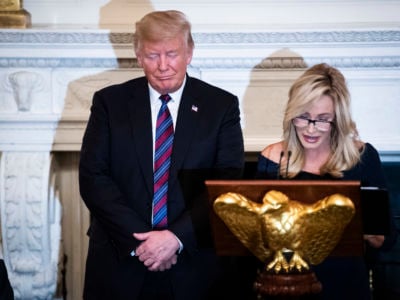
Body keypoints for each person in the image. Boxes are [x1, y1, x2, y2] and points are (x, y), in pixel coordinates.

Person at [79, 10, 244, 300]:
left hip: (194, 265)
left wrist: (176, 237)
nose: (163, 66)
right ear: (138, 56)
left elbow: (226, 184)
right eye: (153, 55)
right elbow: (93, 178)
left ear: (189, 53)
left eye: (172, 54)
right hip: (120, 260)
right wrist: (143, 243)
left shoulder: (221, 107)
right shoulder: (109, 103)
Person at [256, 63, 397, 299]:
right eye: (303, 117)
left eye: (323, 119)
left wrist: (373, 234)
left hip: (347, 285)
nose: (311, 129)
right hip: (288, 285)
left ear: (338, 120)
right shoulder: (273, 158)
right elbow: (256, 240)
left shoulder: (362, 157)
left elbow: (388, 239)